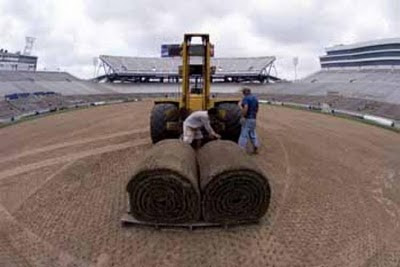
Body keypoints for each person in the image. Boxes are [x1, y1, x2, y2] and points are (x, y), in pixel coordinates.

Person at [238, 87, 260, 154]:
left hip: (248, 118)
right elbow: (257, 108)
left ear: (244, 92)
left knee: (243, 134)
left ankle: (241, 150)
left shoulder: (246, 98)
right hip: (253, 118)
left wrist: (243, 116)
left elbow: (246, 107)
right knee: (252, 133)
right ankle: (256, 146)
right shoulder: (255, 98)